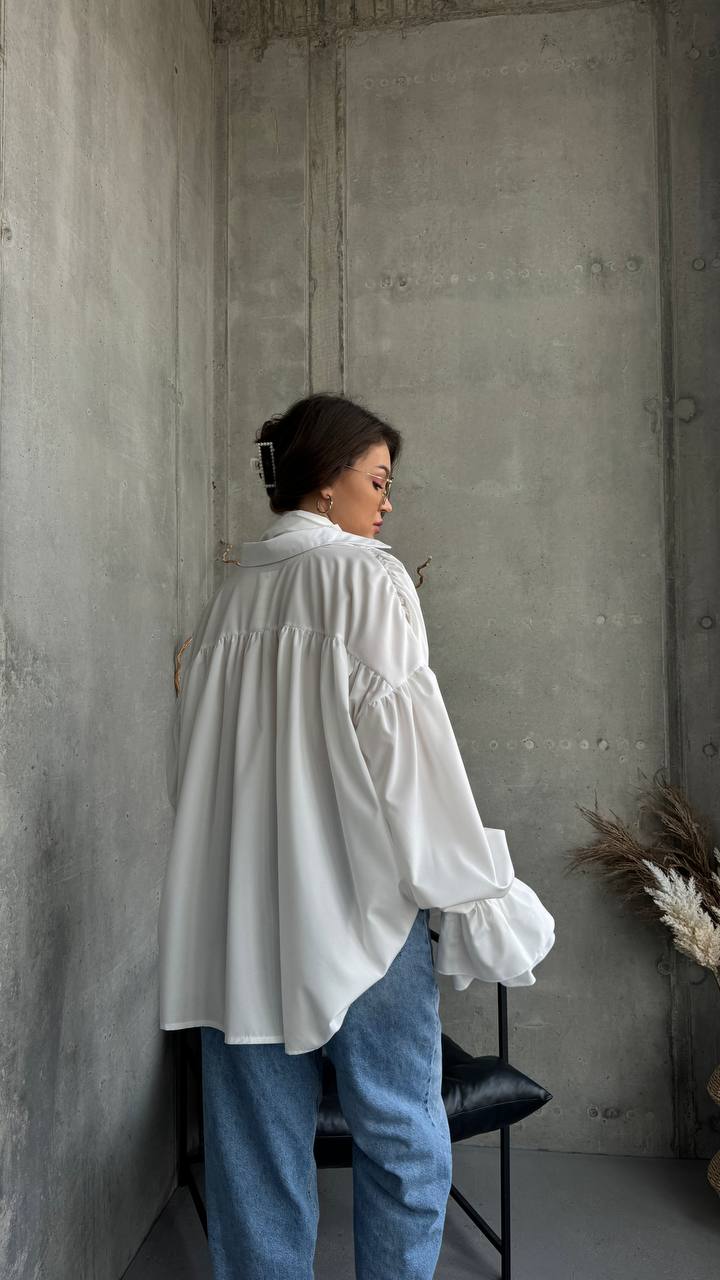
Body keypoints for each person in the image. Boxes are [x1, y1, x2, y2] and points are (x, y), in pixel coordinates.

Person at [157, 392, 555, 1279]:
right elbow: (410, 761)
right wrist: (475, 890)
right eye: (377, 481)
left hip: (237, 919)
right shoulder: (367, 580)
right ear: (328, 479)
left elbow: (192, 778)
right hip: (357, 910)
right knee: (403, 1138)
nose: (387, 502)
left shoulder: (227, 600)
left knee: (253, 1157)